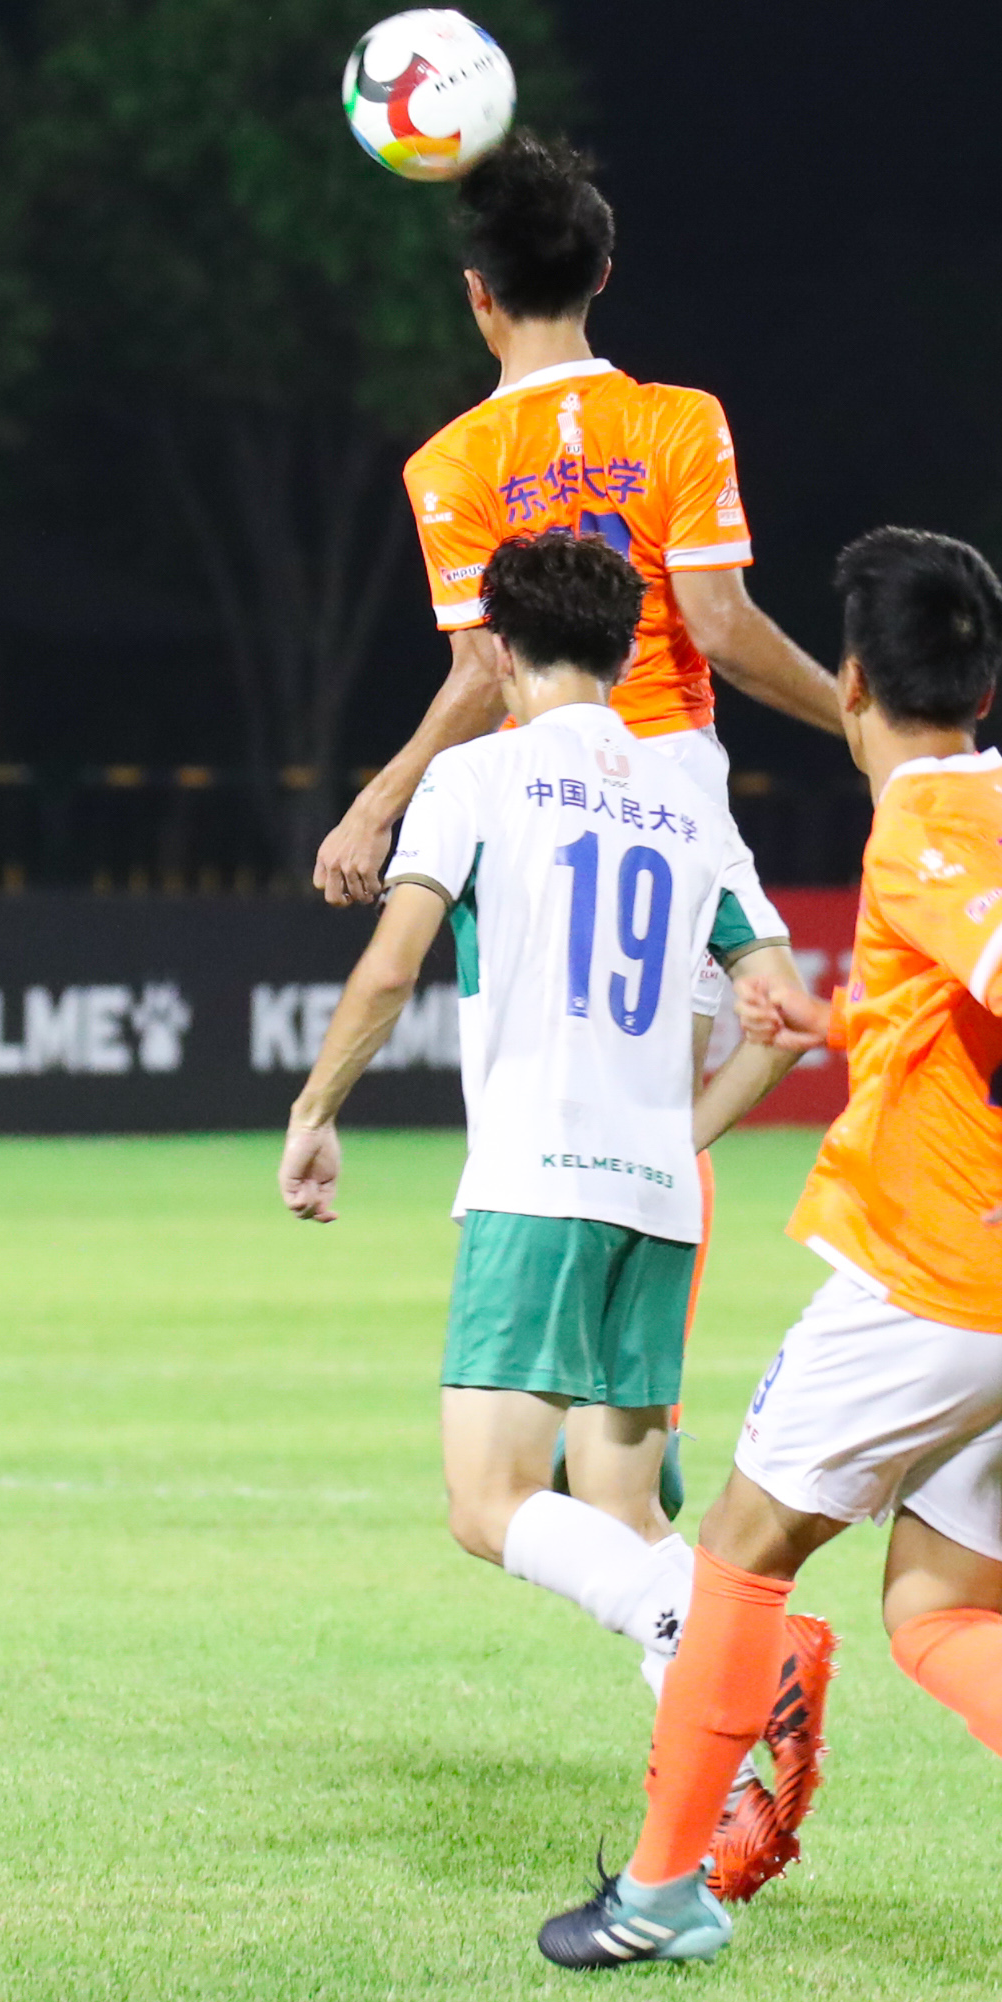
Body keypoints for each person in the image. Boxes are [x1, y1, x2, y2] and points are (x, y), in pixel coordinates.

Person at [537, 528, 1002, 2002]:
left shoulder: (923, 821)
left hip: (945, 1275)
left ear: (845, 684)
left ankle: (659, 1896)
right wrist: (835, 1026)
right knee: (941, 1616)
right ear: (985, 681)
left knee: (735, 1558)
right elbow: (977, 1010)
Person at [279, 534, 835, 1895]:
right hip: (656, 1203)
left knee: (488, 1504)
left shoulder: (474, 777)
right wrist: (678, 1132)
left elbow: (389, 969)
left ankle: (739, 1645)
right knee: (622, 1512)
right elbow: (783, 1015)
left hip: (535, 1183)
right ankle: (725, 1808)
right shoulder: (687, 801)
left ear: (496, 648)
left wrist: (315, 1109)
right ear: (632, 644)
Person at [309, 132, 842, 906]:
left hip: (535, 790)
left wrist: (372, 809)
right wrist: (857, 723)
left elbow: (483, 672)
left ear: (477, 292)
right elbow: (723, 629)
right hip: (672, 777)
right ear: (602, 274)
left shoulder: (449, 464)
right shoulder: (680, 421)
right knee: (721, 985)